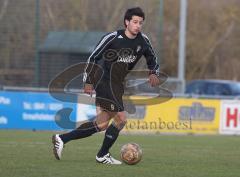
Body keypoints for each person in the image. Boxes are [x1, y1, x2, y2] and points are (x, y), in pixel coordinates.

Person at [52, 7, 160, 165]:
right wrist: (88, 80)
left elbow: (152, 56)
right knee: (121, 119)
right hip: (104, 80)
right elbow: (93, 57)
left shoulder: (143, 40)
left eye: (141, 23)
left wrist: (153, 72)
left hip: (117, 83)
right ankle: (102, 154)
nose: (138, 25)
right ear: (127, 22)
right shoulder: (112, 37)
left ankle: (62, 139)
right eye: (135, 22)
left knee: (101, 124)